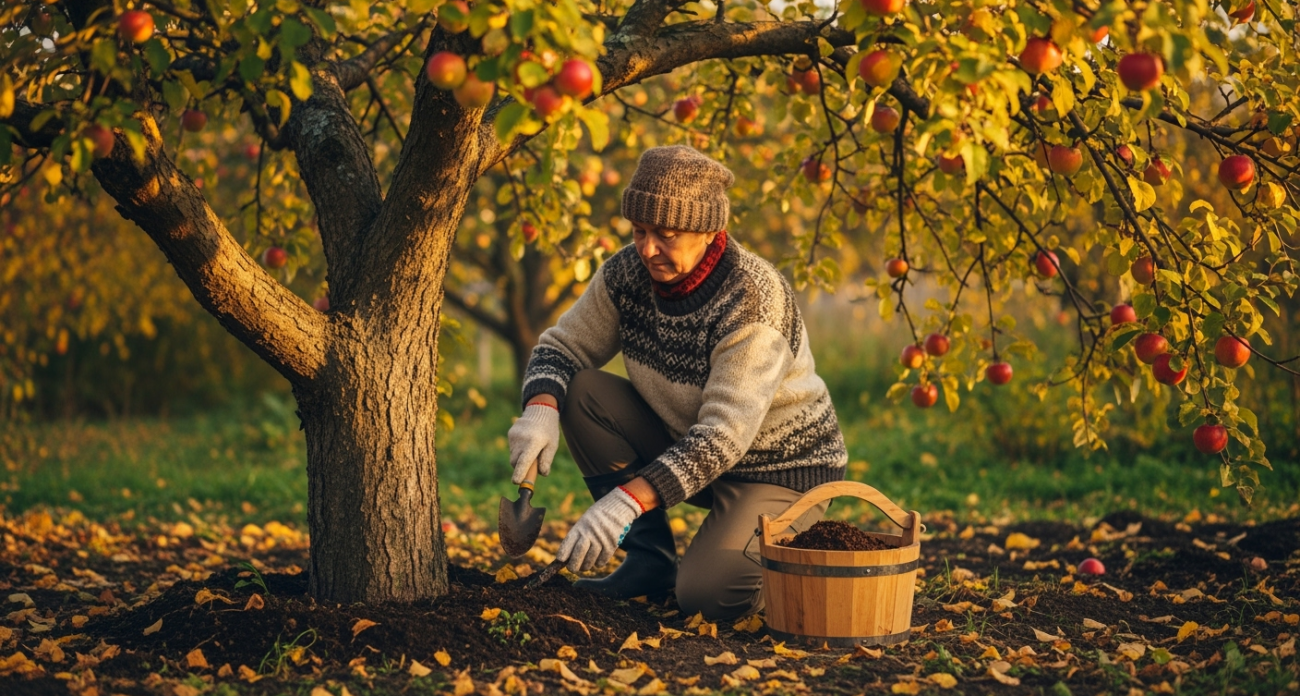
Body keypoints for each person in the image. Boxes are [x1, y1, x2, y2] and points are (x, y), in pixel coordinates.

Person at [507, 145, 847, 620]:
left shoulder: (751, 301)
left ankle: (791, 563)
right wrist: (540, 408)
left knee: (708, 599)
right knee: (582, 391)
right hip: (688, 445)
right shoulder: (627, 273)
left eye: (666, 235)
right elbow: (563, 347)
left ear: (710, 231)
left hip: (781, 472)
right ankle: (649, 563)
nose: (647, 249)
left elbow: (721, 437)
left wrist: (624, 502)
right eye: (639, 231)